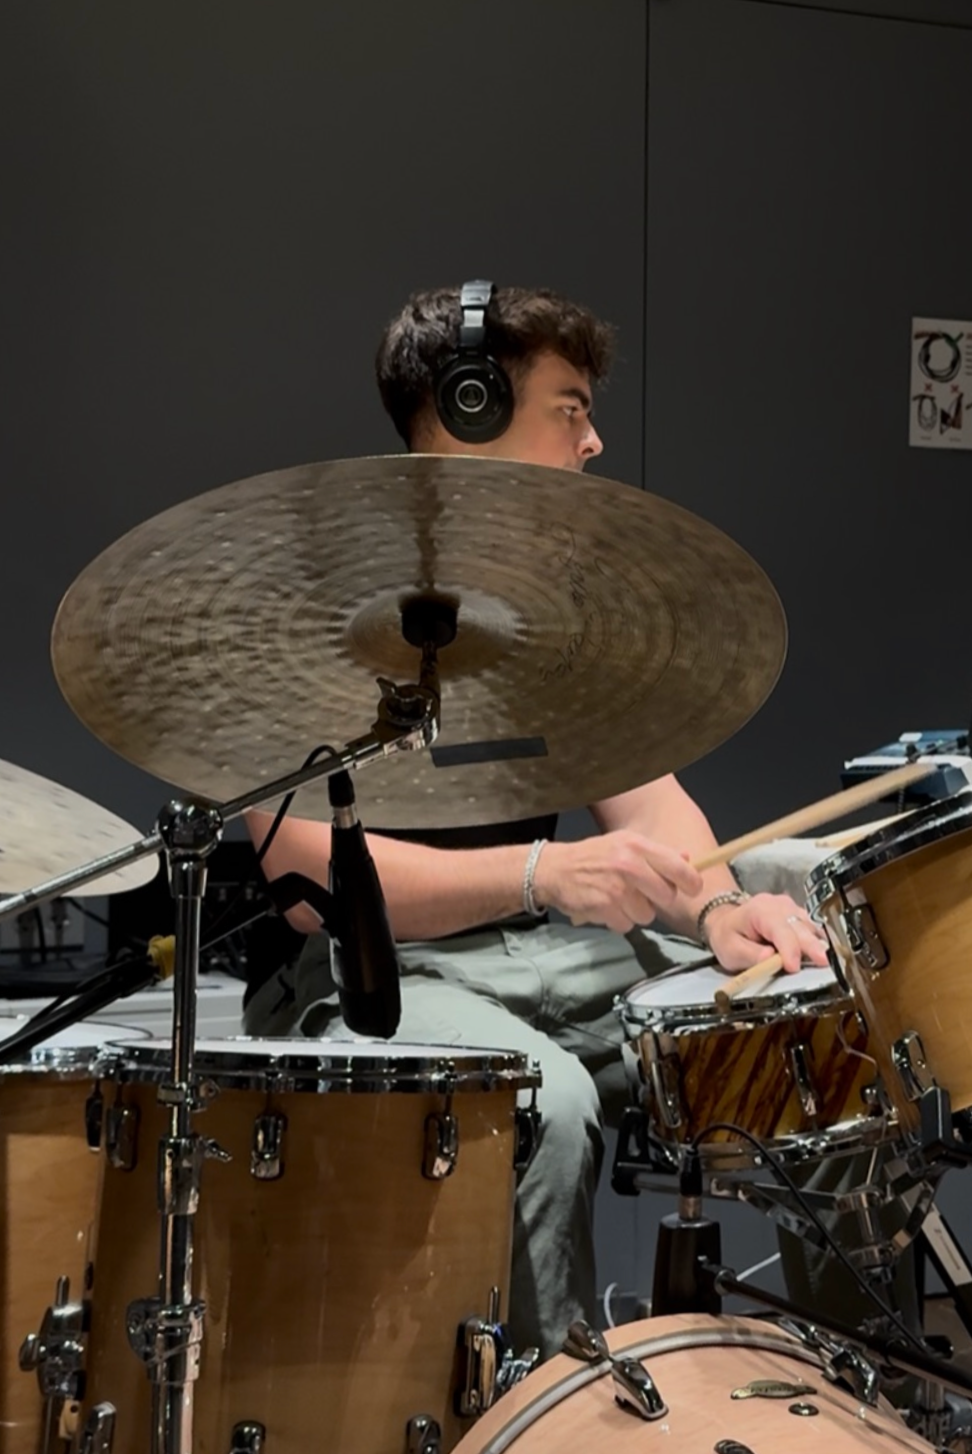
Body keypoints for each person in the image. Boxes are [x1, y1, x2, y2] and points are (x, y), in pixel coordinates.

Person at [242, 283, 830, 1358]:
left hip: (541, 955)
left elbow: (649, 800)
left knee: (801, 992)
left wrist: (717, 909)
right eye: (570, 409)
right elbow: (305, 880)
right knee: (540, 1103)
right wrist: (542, 876)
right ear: (470, 409)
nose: (594, 441)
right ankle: (541, 1409)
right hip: (369, 973)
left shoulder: (551, 606)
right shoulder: (322, 601)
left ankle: (850, 1392)